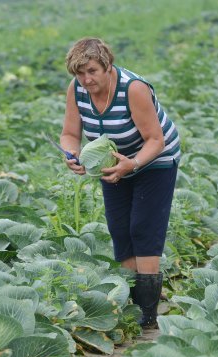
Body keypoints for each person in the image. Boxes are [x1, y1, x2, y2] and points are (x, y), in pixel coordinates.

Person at [59, 38, 180, 328]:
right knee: (120, 228)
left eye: (92, 71)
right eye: (80, 73)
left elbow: (155, 140)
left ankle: (147, 314)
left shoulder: (133, 89)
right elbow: (69, 133)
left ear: (107, 66)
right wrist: (71, 153)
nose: (86, 79)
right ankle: (131, 304)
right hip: (113, 165)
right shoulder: (77, 90)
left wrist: (133, 164)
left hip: (155, 160)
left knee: (144, 227)